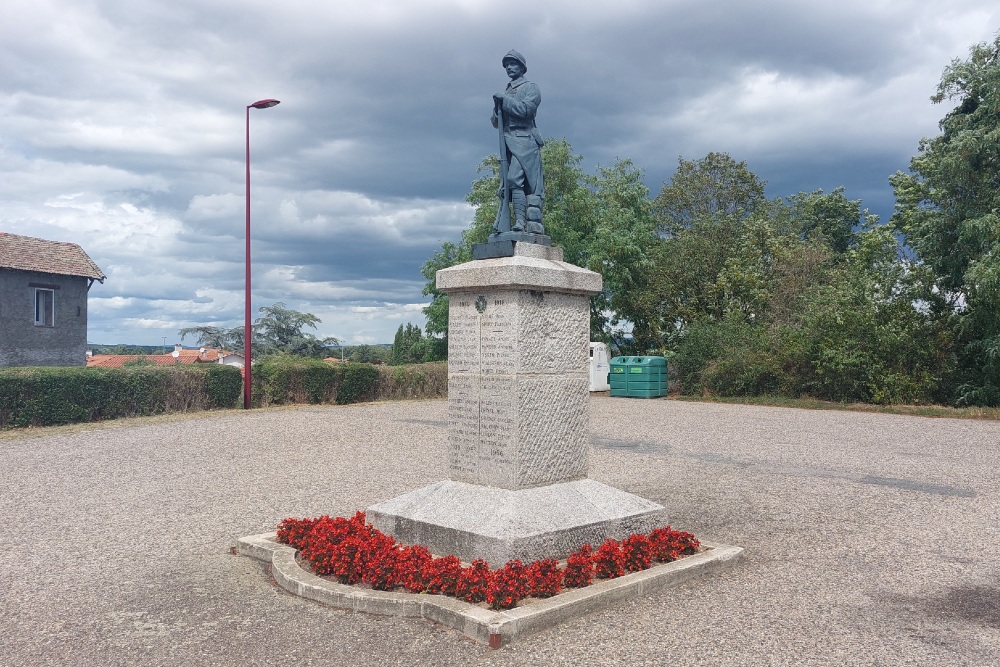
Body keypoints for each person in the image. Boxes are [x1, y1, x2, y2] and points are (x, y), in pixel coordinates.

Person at [492, 49, 545, 235]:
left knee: (514, 179)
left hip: (525, 142)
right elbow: (496, 123)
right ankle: (518, 224)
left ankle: (522, 222)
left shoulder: (531, 88)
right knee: (509, 184)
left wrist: (504, 100)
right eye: (506, 65)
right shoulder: (507, 91)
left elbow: (525, 111)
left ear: (522, 67)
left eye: (512, 64)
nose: (509, 68)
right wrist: (496, 107)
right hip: (509, 142)